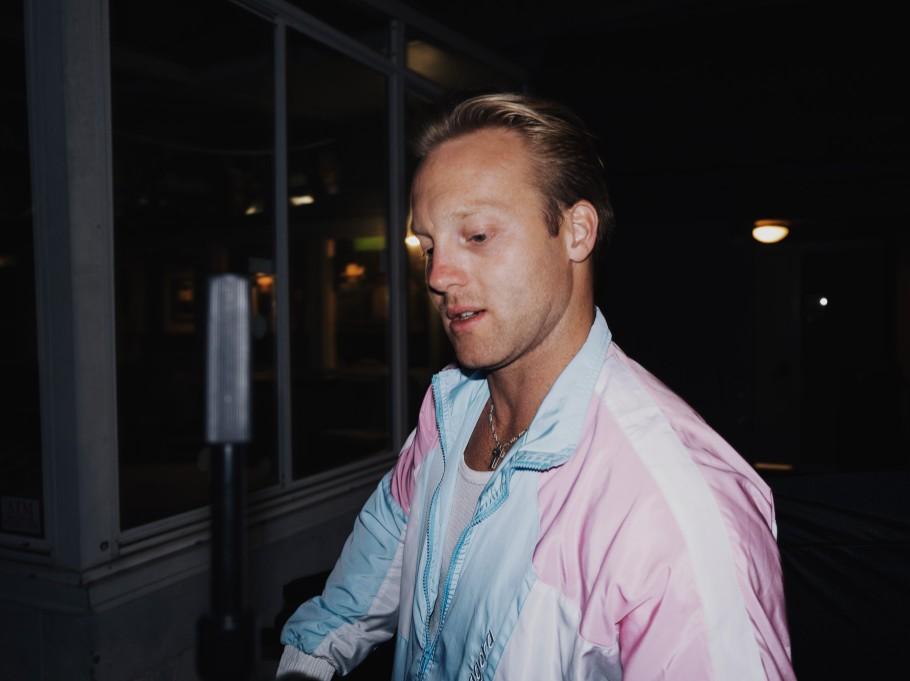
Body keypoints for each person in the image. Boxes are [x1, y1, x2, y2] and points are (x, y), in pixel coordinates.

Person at [277, 93, 794, 680]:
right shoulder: (447, 413)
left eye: (476, 235)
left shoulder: (671, 506)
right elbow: (357, 596)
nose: (438, 276)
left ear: (576, 232)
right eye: (429, 245)